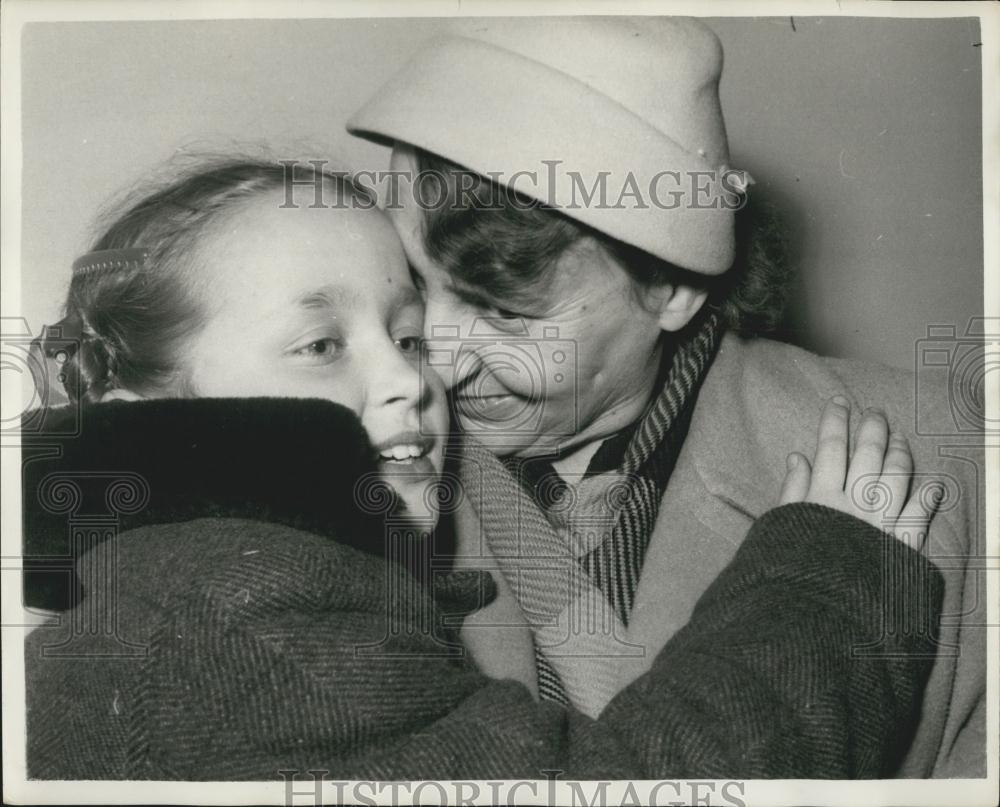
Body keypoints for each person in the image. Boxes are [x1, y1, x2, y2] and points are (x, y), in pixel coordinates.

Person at [23, 157, 941, 780]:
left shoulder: (185, 577)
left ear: (668, 290)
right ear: (135, 404)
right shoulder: (242, 619)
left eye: (407, 333)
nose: (421, 378)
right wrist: (829, 588)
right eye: (318, 344)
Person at [347, 16, 985, 776]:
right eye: (416, 286)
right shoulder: (352, 467)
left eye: (505, 311)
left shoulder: (955, 452)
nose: (436, 370)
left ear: (671, 289)